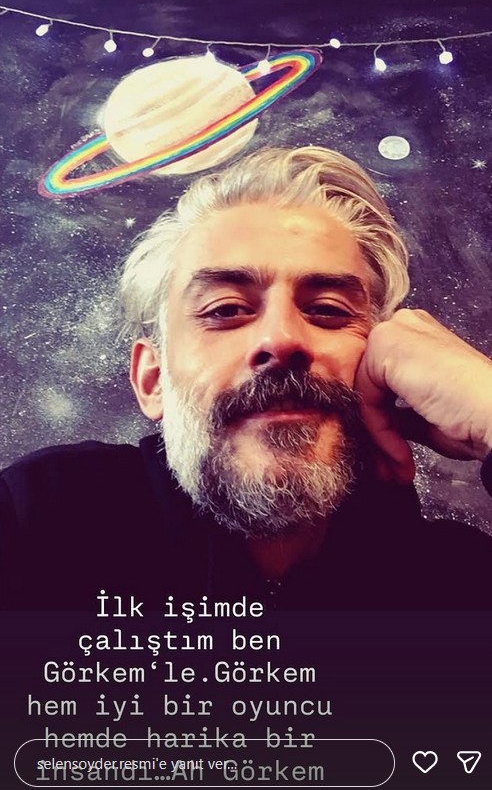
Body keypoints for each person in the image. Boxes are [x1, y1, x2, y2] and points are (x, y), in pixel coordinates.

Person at [1, 146, 492, 611]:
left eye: (328, 310)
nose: (282, 338)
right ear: (153, 380)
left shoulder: (458, 585)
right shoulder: (37, 519)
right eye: (225, 309)